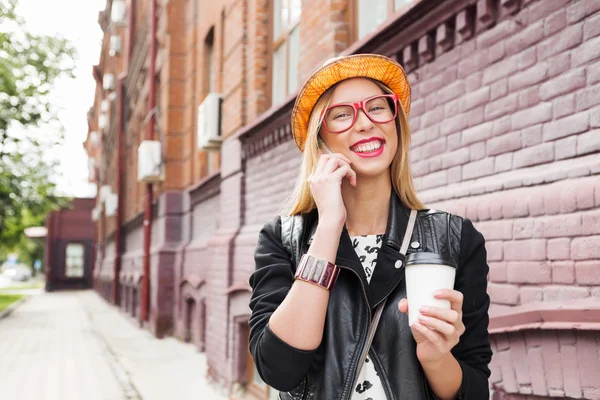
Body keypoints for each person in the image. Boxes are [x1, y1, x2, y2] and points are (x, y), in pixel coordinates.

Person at [249, 54, 492, 400]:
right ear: (320, 144)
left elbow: (475, 389)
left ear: (397, 127)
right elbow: (279, 369)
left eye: (377, 108)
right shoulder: (283, 239)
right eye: (342, 115)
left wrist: (435, 357)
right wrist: (330, 226)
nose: (365, 123)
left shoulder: (454, 239)